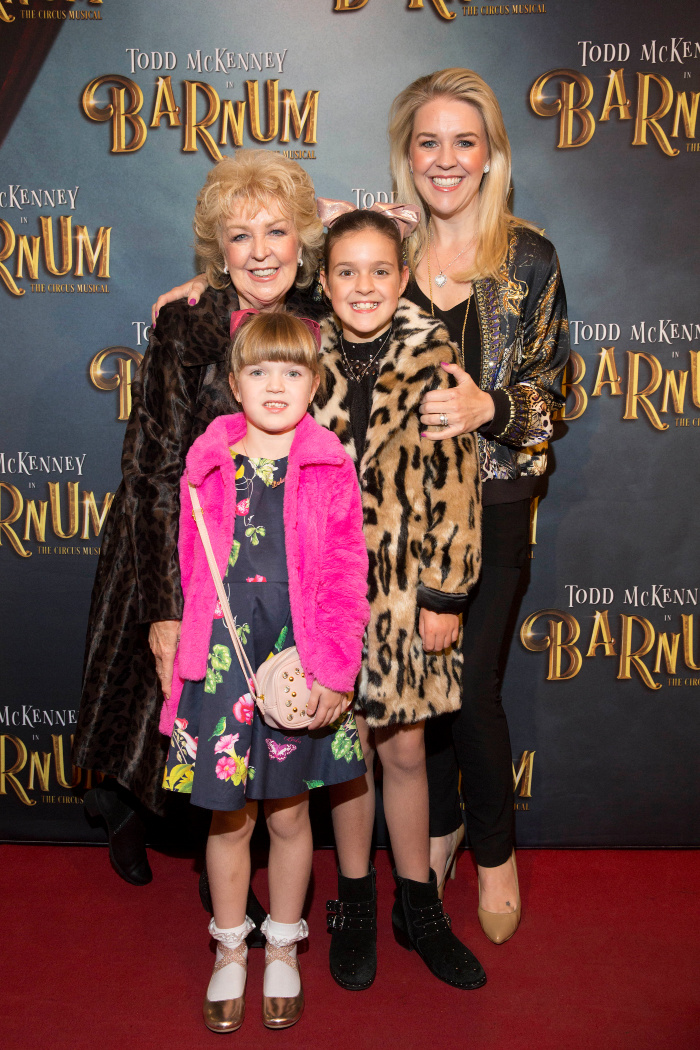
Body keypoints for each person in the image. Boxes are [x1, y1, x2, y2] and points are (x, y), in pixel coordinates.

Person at [74, 151, 325, 892]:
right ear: (217, 251)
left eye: (276, 232)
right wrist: (165, 609)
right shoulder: (185, 327)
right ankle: (126, 813)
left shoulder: (331, 309)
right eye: (238, 237)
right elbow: (150, 470)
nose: (259, 253)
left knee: (264, 721)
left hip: (282, 557)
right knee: (163, 701)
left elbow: (395, 236)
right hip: (183, 543)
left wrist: (322, 216)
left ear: (304, 239)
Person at [389, 68, 570, 943]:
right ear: (407, 155)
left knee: (470, 688)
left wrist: (486, 408)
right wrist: (197, 300)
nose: (446, 158)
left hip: (495, 501)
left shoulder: (527, 257)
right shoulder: (382, 252)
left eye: (466, 140)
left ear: (492, 155)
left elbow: (553, 399)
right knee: (413, 693)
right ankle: (444, 822)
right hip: (397, 516)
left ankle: (494, 853)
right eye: (430, 141)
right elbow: (277, 299)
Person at [160, 311, 369, 1031]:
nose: (275, 387)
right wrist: (186, 659)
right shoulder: (207, 463)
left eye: (292, 372)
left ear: (314, 382)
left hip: (298, 659)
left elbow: (345, 577)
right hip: (222, 662)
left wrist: (336, 673)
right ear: (234, 381)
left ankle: (283, 942)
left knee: (289, 814)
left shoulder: (329, 465)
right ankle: (229, 950)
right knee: (226, 817)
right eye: (259, 371)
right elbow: (192, 568)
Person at [312, 205, 485, 992]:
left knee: (406, 750)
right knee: (347, 758)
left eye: (381, 271)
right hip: (324, 599)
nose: (364, 286)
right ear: (323, 283)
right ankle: (352, 901)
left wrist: (446, 595)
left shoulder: (433, 357)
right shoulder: (300, 358)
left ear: (405, 277)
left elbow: (456, 492)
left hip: (408, 595)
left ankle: (420, 906)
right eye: (346, 272)